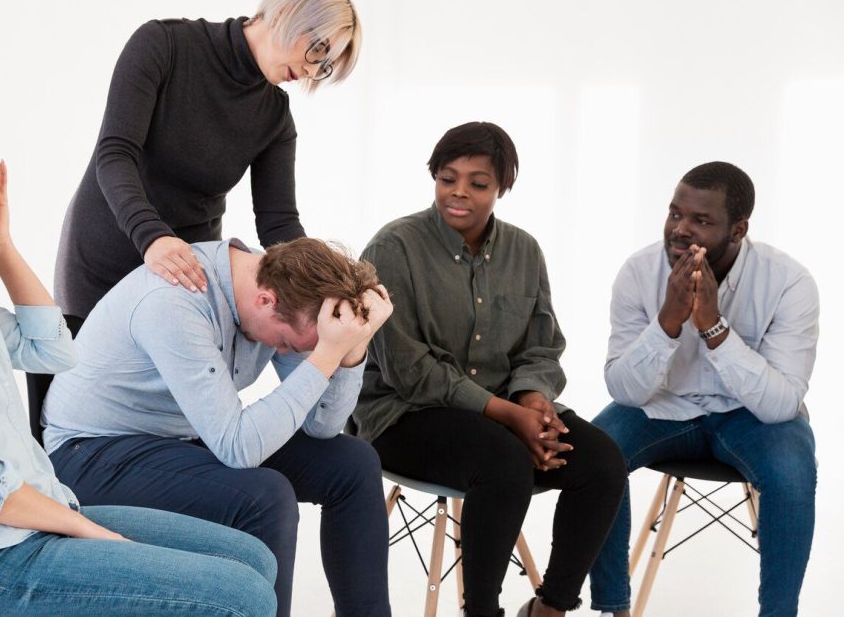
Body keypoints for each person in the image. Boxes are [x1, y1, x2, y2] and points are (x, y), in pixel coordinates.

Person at [0, 104, 277, 616]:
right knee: (242, 596)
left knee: (252, 559)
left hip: (34, 523)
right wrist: (84, 529)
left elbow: (54, 350)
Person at [350, 122, 626, 617]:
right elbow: (408, 370)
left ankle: (551, 608)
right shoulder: (393, 249)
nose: (459, 193)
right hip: (405, 413)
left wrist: (534, 403)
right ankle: (481, 611)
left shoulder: (524, 251)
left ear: (501, 188)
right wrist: (507, 415)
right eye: (447, 178)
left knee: (603, 461)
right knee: (503, 463)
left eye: (478, 183)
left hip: (503, 410)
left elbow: (541, 347)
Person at [42, 237, 394, 617]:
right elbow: (237, 447)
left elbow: (323, 426)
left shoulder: (287, 294)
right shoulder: (173, 301)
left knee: (352, 463)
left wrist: (351, 349)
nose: (289, 354)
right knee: (265, 496)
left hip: (182, 436)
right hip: (91, 455)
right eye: (288, 344)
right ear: (266, 301)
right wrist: (325, 355)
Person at [55, 0, 362, 320]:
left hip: (184, 276)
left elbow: (279, 224)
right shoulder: (164, 44)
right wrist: (153, 238)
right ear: (286, 11)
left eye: (324, 65)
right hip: (104, 257)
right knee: (77, 369)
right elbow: (114, 155)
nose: (312, 70)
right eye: (318, 49)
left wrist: (333, 282)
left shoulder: (275, 116)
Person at [588, 162, 818, 617]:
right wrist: (668, 322)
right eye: (675, 213)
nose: (679, 229)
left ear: (738, 229)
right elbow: (624, 389)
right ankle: (614, 608)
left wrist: (713, 327)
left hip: (751, 418)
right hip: (662, 408)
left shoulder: (789, 282)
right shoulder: (638, 272)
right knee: (597, 453)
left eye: (700, 221)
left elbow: (782, 404)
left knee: (793, 468)